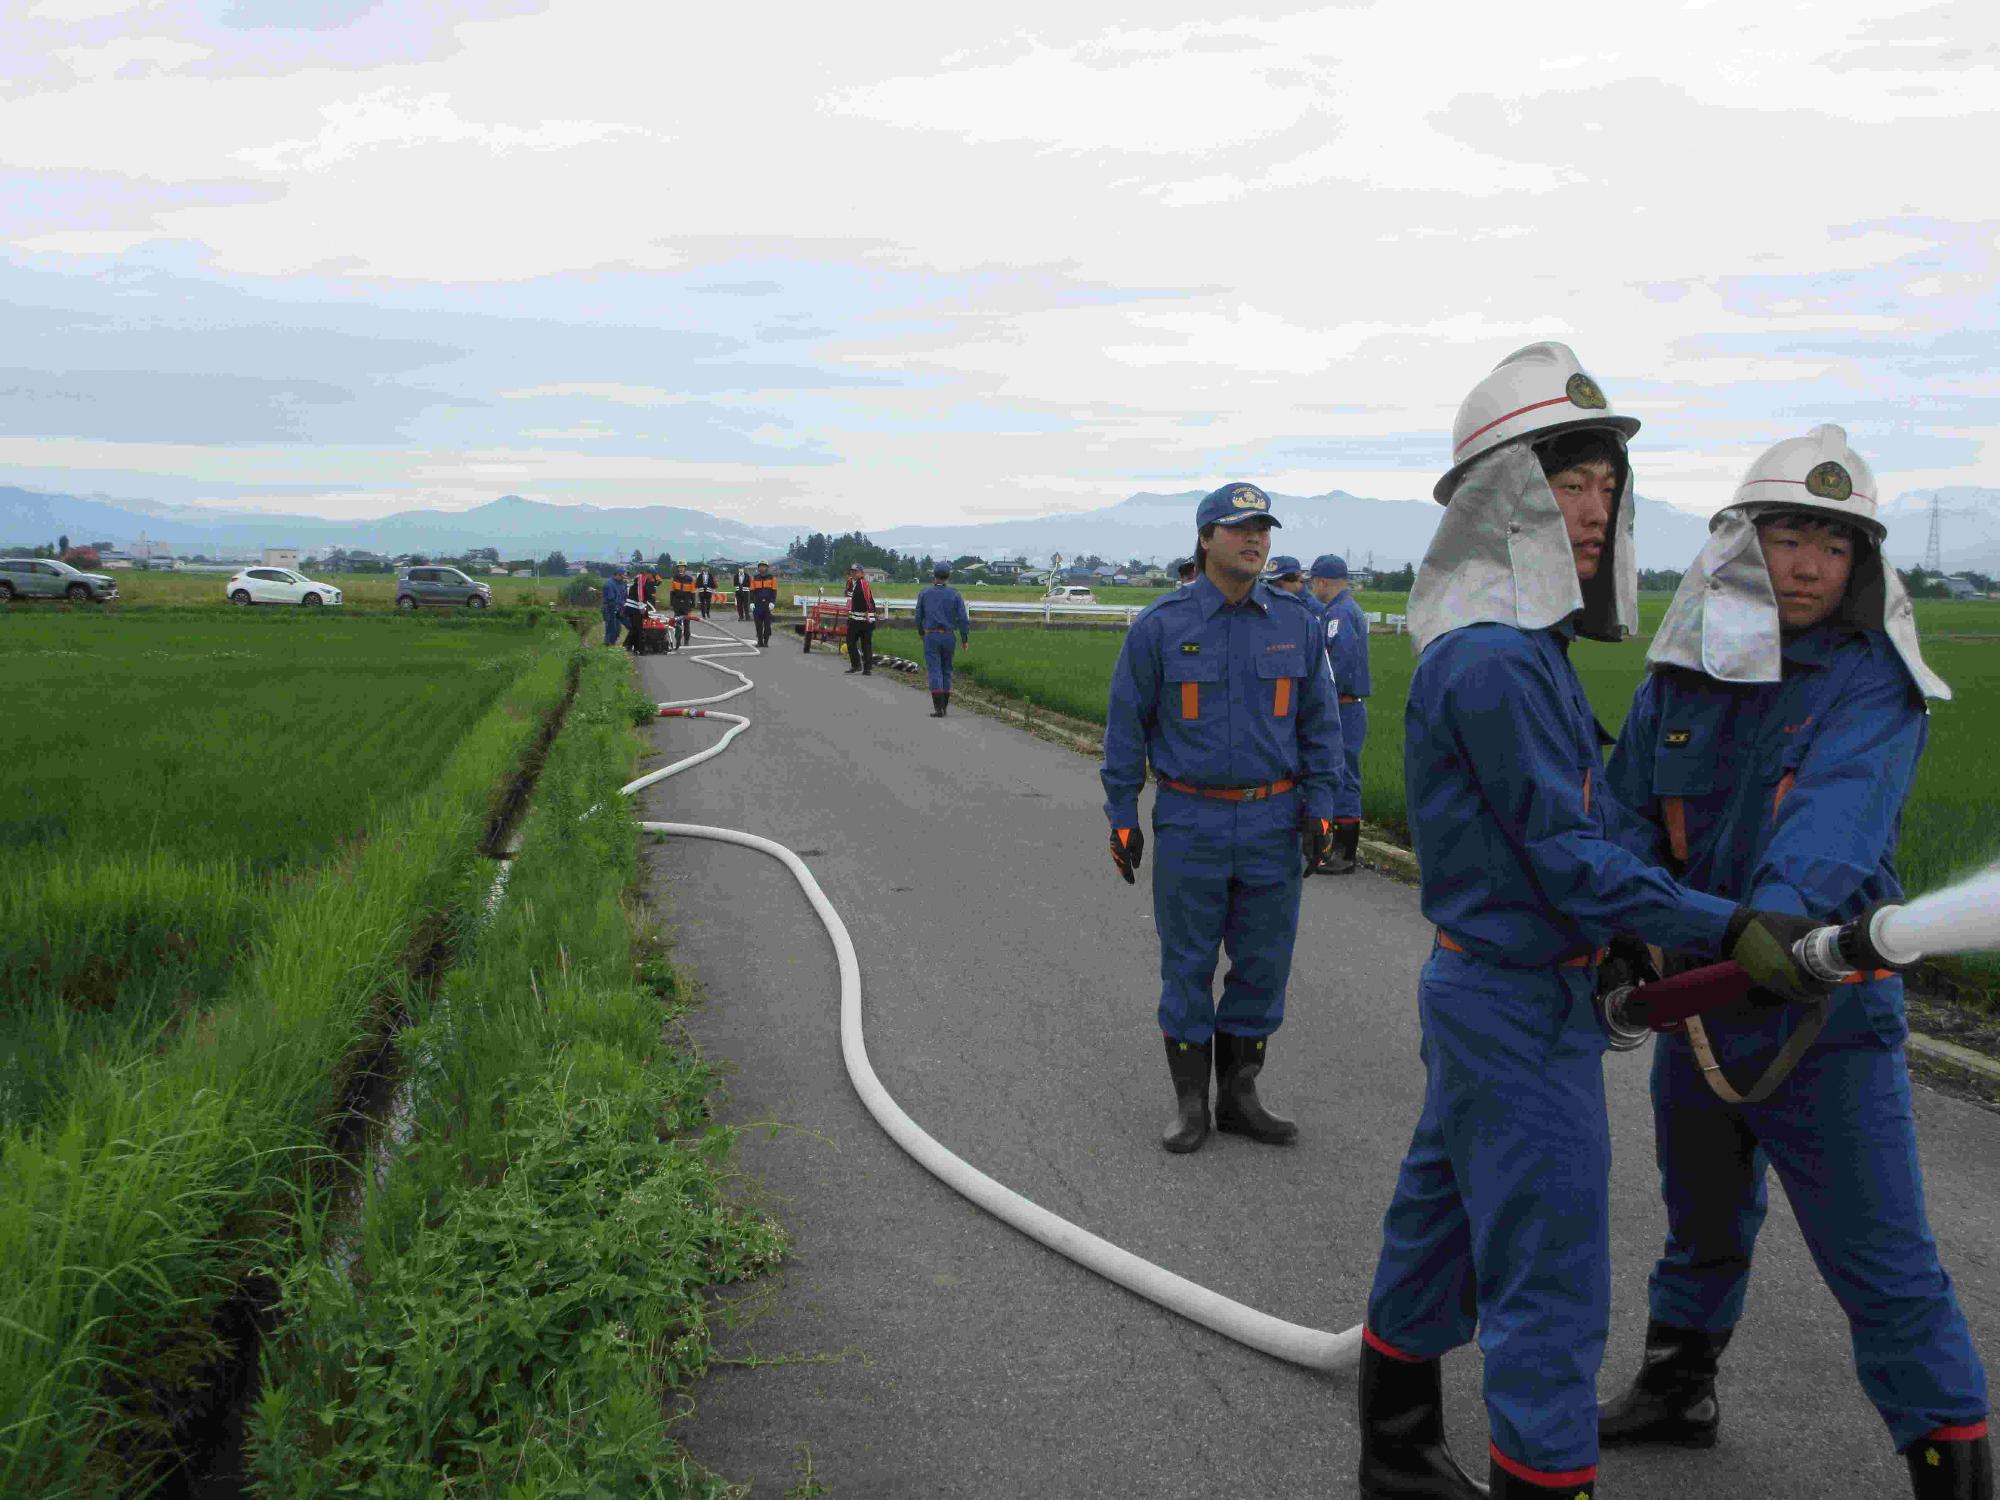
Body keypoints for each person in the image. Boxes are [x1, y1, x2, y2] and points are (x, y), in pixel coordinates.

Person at [1355, 342, 1832, 1500]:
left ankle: (1396, 1453)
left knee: (1442, 1221)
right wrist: (1724, 927)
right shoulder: (1493, 666)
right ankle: (1542, 1476)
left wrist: (1636, 929)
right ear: (1498, 501)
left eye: (1603, 486)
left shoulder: (1529, 653)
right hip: (1512, 1002)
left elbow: (1576, 828)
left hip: (1502, 989)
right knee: (1550, 1273)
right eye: (1565, 484)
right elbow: (1569, 858)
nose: (1591, 507)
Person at [1597, 425, 1989, 1498]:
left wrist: (1770, 920)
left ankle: (1950, 1469)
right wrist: (1620, 933)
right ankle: (1678, 1389)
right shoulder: (1679, 677)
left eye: (1835, 543)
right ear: (1739, 545)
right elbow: (1627, 812)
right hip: (1695, 1008)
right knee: (1701, 1217)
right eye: (1787, 536)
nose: (1810, 564)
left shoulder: (1872, 685)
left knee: (1882, 1265)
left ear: (1861, 564)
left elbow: (1832, 823)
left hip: (1820, 1012)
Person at [1101, 482, 1345, 1156]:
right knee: (1187, 964)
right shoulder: (1161, 627)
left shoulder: (1294, 624)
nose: (1255, 540)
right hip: (1191, 820)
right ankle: (1189, 1104)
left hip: (1273, 820)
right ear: (1206, 538)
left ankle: (1239, 1096)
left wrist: (1322, 807)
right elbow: (1126, 731)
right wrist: (1122, 815)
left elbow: (1322, 728)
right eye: (1240, 529)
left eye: (1263, 528)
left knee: (1264, 964)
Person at [1308, 554, 1370, 874]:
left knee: (1344, 777)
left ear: (1322, 581)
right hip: (1345, 705)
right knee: (1339, 773)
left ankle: (1345, 854)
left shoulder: (1339, 615)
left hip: (1344, 706)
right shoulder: (1340, 610)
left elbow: (1338, 665)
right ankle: (1334, 847)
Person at [913, 563, 972, 717]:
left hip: (931, 635)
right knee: (947, 670)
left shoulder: (925, 593)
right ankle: (944, 706)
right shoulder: (955, 594)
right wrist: (964, 638)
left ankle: (938, 707)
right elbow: (963, 619)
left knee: (935, 670)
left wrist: (921, 632)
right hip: (949, 635)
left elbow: (918, 617)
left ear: (934, 575)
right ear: (948, 576)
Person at [845, 562, 878, 675]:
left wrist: (869, 611)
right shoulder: (852, 583)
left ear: (861, 573)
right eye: (852, 571)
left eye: (855, 571)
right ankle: (860, 666)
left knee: (863, 643)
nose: (853, 573)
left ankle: (864, 667)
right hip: (856, 617)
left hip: (864, 618)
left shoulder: (863, 583)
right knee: (854, 642)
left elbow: (867, 598)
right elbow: (849, 598)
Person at [749, 562, 777, 648]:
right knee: (758, 625)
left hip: (767, 605)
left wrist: (772, 602)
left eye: (763, 566)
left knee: (767, 625)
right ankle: (759, 642)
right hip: (757, 604)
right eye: (760, 566)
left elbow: (774, 591)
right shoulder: (755, 578)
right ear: (758, 568)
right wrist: (751, 602)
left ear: (767, 568)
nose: (761, 568)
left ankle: (766, 641)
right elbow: (752, 592)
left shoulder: (772, 578)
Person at [670, 564, 696, 647]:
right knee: (677, 623)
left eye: (682, 567)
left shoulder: (690, 579)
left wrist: (693, 603)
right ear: (678, 568)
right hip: (677, 603)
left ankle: (686, 640)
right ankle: (678, 640)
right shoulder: (674, 578)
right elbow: (672, 592)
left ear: (685, 569)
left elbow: (693, 592)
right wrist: (672, 603)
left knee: (687, 623)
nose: (681, 569)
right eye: (679, 567)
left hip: (686, 603)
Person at [601, 568, 628, 647]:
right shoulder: (609, 584)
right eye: (621, 577)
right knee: (611, 627)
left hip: (619, 608)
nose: (623, 579)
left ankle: (611, 644)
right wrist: (619, 605)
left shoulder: (622, 583)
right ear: (617, 575)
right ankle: (607, 645)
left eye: (623, 577)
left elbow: (625, 595)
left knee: (617, 629)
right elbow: (611, 599)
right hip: (609, 608)